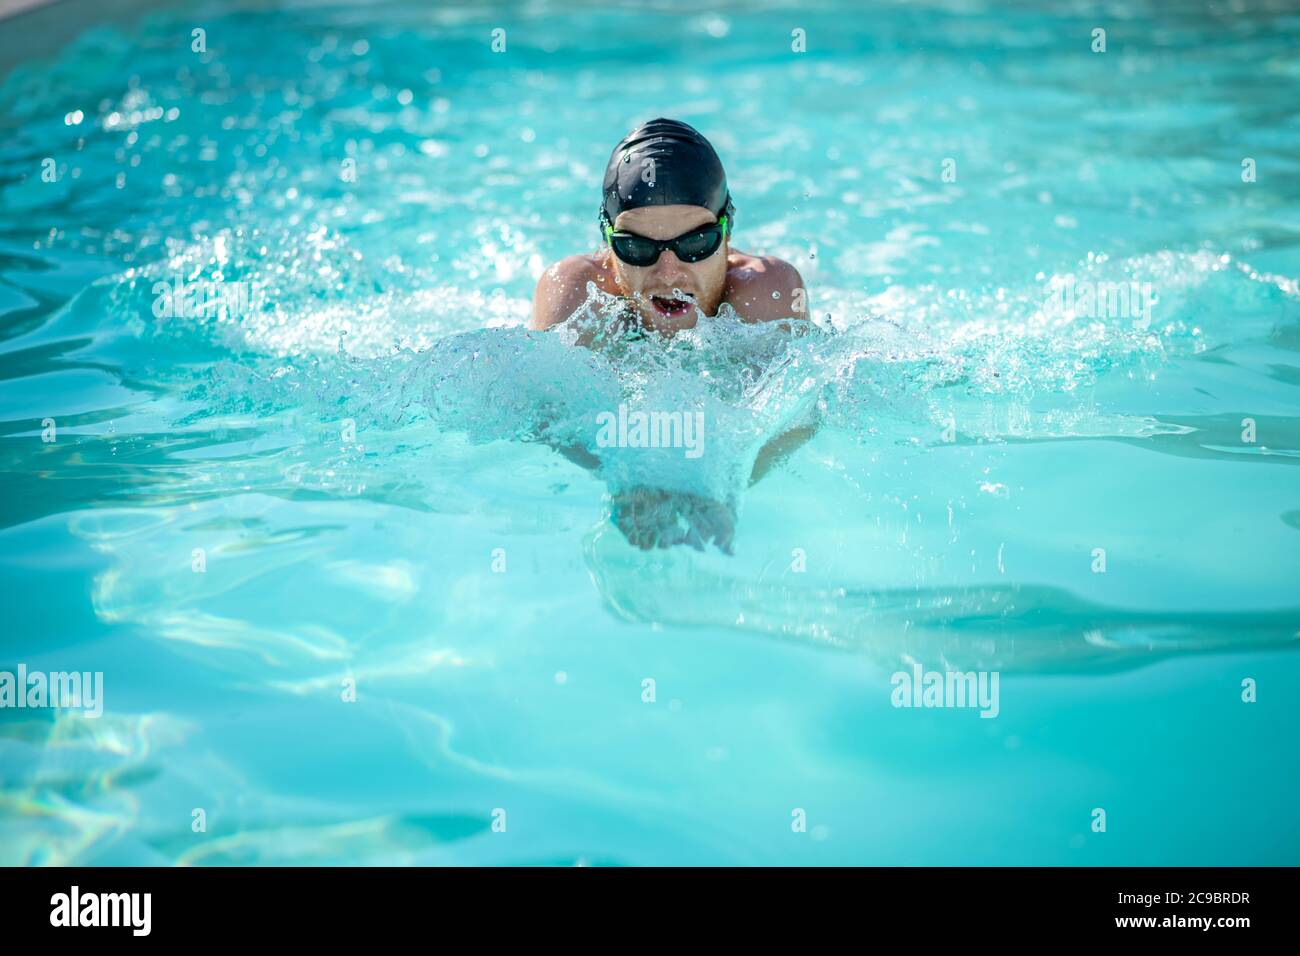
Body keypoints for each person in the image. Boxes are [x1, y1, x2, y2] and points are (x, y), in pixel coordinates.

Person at [530, 117, 807, 335]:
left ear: (726, 234)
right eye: (637, 247)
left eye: (695, 243)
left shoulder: (770, 293)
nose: (668, 275)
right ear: (608, 243)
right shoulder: (574, 298)